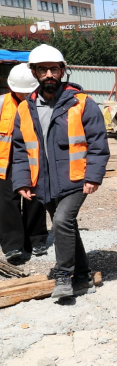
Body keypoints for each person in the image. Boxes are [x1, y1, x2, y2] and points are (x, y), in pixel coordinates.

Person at [12, 44, 110, 298]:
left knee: (61, 221)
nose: (49, 75)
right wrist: (22, 180)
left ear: (63, 71)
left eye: (54, 69)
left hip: (77, 178)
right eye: (42, 70)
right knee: (68, 227)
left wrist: (93, 176)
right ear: (34, 72)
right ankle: (83, 276)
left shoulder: (82, 103)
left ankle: (63, 274)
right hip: (43, 181)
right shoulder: (24, 109)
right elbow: (20, 149)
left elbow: (98, 143)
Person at [0, 64, 49, 263]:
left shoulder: (43, 104)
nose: (24, 96)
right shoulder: (2, 104)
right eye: (21, 93)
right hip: (5, 161)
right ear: (11, 88)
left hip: (34, 159)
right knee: (7, 202)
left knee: (35, 198)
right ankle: (12, 245)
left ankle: (36, 239)